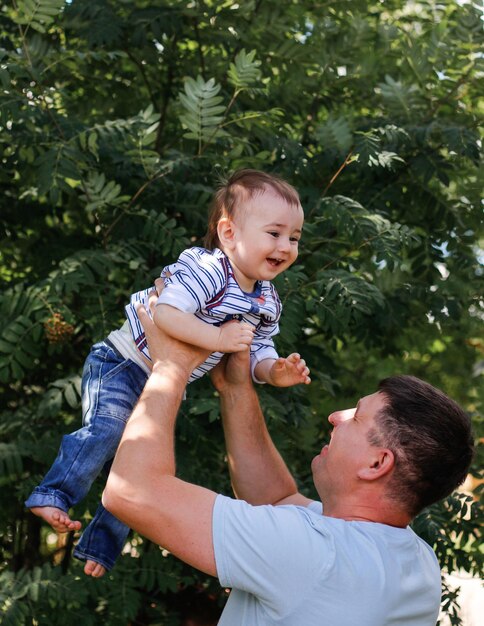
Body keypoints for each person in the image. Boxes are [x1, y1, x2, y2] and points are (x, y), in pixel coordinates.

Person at [102, 292, 474, 626]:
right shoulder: (418, 564)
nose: (335, 417)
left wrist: (171, 367)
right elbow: (275, 499)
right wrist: (235, 389)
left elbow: (132, 491)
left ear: (377, 464)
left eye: (355, 417)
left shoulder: (317, 555)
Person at [25, 169, 310, 578]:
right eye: (275, 233)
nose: (286, 246)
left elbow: (256, 351)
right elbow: (166, 313)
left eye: (295, 238)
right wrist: (218, 336)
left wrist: (273, 371)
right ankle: (52, 492)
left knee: (144, 466)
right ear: (229, 234)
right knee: (107, 430)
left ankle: (99, 547)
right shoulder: (208, 268)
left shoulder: (267, 300)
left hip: (162, 380)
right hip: (122, 364)